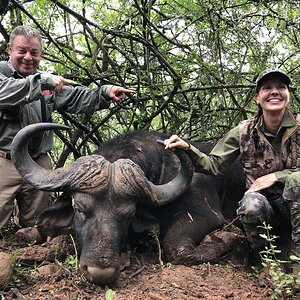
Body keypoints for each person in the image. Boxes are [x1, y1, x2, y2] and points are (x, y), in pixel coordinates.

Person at [0, 25, 135, 234]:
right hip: (3, 161)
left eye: (34, 52)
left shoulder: (46, 83)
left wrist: (105, 92)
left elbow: (75, 97)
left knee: (38, 228)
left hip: (38, 162)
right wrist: (43, 80)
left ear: (41, 54)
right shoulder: (11, 75)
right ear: (9, 49)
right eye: (22, 51)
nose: (28, 57)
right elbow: (5, 93)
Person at [163, 68, 300, 271]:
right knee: (250, 204)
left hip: (296, 202)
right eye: (267, 88)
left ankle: (298, 263)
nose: (274, 92)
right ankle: (266, 263)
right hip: (267, 208)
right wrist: (188, 149)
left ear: (288, 96)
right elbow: (213, 165)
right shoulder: (244, 131)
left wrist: (277, 176)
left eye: (281, 87)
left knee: (296, 181)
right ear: (257, 98)